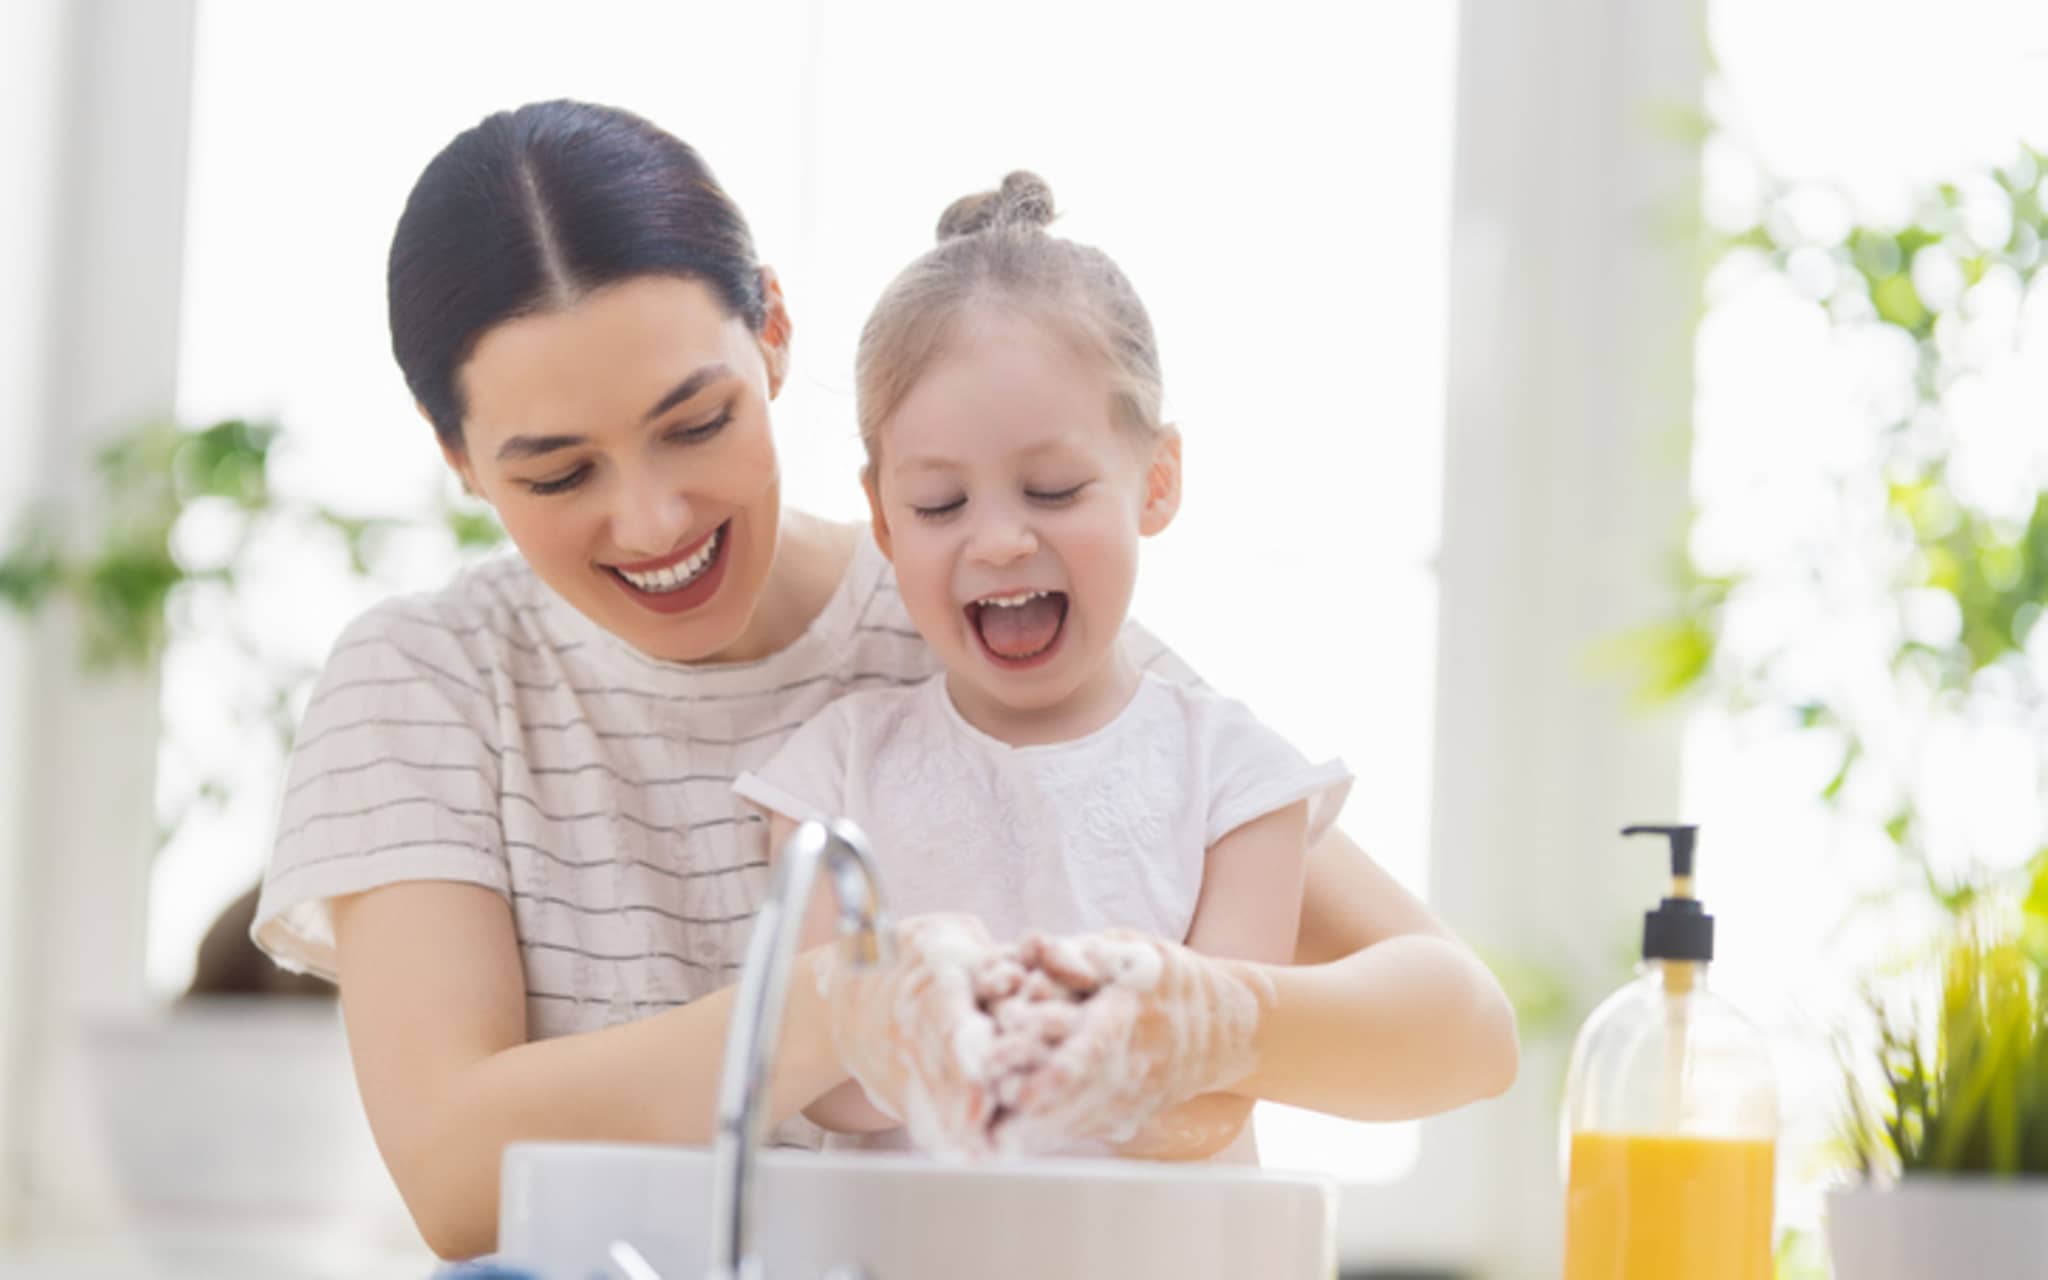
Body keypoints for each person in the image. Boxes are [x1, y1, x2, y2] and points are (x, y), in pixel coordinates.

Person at [252, 99, 1519, 1261]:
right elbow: (456, 1174)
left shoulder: (973, 616)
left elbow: (1456, 1026)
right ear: (459, 458)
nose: (650, 520)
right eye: (556, 472)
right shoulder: (430, 682)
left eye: (696, 424)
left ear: (775, 336)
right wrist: (836, 1015)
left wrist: (1215, 1019)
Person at [732, 172, 1351, 1162]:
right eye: (939, 505)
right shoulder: (828, 778)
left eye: (1053, 488)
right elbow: (821, 1087)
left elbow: (1211, 1103)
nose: (1002, 540)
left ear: (1156, 481)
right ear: (883, 517)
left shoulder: (1237, 781)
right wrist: (907, 1025)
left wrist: (1118, 1031)